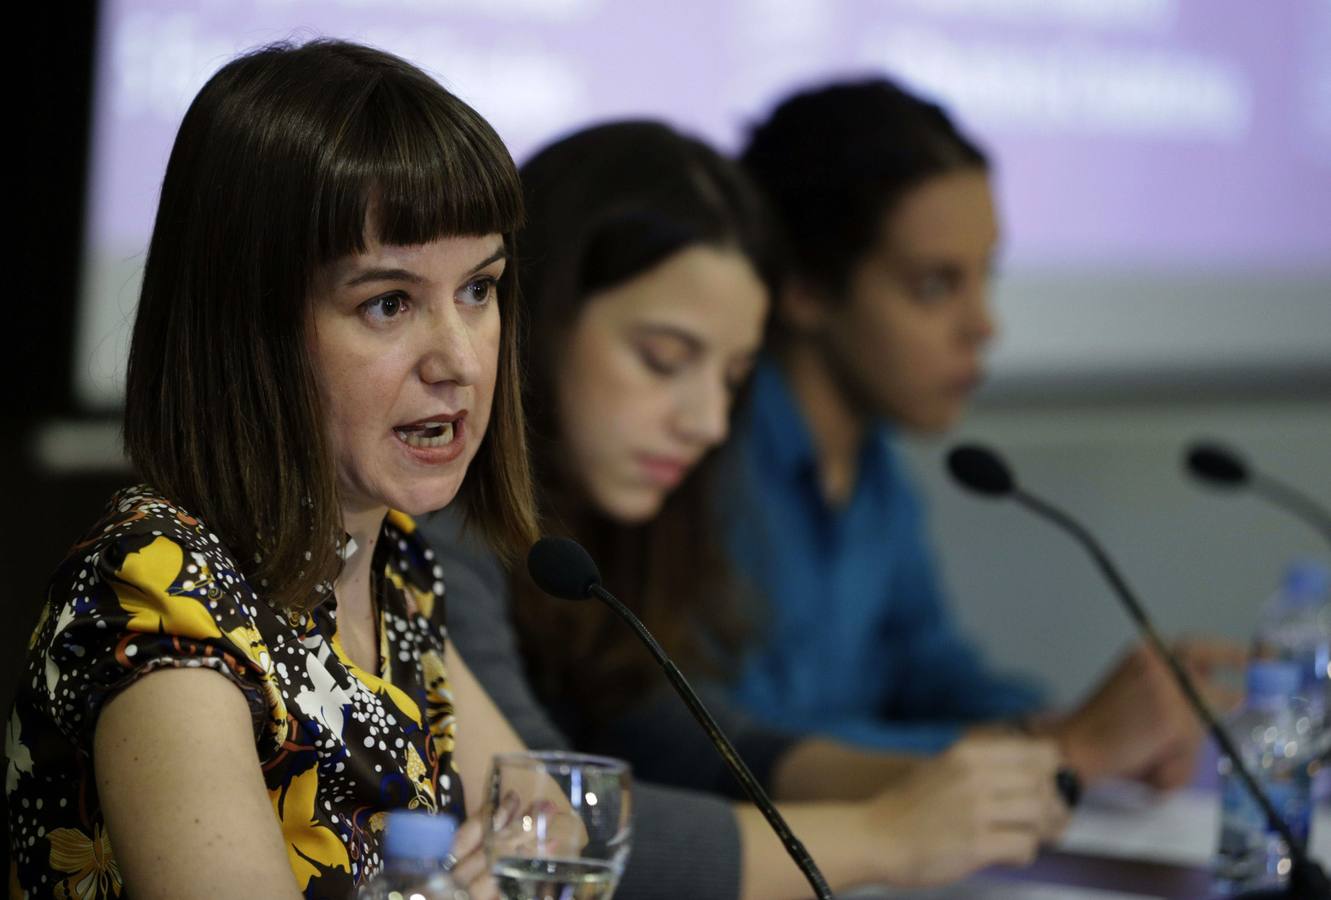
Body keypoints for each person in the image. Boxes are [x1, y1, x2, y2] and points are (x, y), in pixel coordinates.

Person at [423, 120, 1070, 900]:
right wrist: (886, 837)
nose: (708, 421)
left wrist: (930, 784)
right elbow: (540, 824)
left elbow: (657, 727)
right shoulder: (432, 513)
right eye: (664, 360)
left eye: (732, 377)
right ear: (531, 322)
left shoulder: (611, 517)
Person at [5, 40, 537, 899]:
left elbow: (542, 820)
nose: (461, 361)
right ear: (248, 328)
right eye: (389, 302)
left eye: (478, 289)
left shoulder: (389, 558)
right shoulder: (158, 595)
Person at [725, 77, 1238, 786]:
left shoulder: (873, 466)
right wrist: (1050, 743)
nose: (983, 326)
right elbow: (731, 748)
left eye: (984, 277)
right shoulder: (701, 465)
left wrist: (1111, 724)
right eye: (934, 286)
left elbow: (931, 675)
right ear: (804, 288)